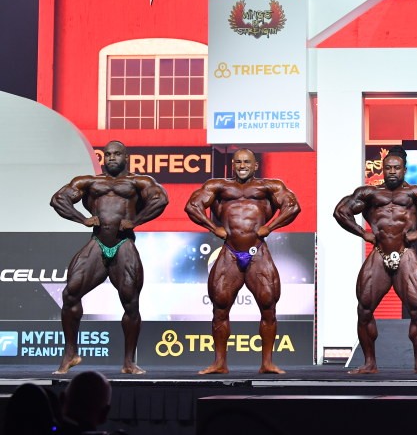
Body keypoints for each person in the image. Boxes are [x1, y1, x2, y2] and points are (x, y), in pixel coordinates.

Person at [50, 141, 169, 375]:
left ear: (126, 157)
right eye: (107, 154)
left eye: (116, 154)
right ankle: (71, 354)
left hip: (124, 244)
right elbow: (58, 199)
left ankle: (129, 362)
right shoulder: (90, 182)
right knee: (70, 293)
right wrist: (81, 219)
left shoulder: (138, 181)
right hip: (98, 242)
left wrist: (136, 221)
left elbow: (160, 200)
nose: (111, 158)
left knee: (131, 302)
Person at [334, 146, 417, 374]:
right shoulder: (369, 194)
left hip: (406, 254)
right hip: (379, 253)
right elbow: (340, 211)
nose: (392, 171)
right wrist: (362, 232)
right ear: (383, 169)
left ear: (405, 170)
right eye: (388, 168)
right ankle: (369, 363)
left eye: (397, 168)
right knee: (364, 309)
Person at [185, 148, 300, 374]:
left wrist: (270, 227)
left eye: (247, 162)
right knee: (219, 308)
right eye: (238, 162)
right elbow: (192, 206)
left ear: (255, 165)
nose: (242, 166)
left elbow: (293, 206)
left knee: (268, 307)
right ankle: (219, 363)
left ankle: (267, 363)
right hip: (229, 252)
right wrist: (213, 227)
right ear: (233, 165)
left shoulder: (269, 187)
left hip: (258, 252)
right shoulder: (218, 186)